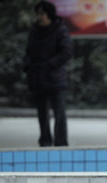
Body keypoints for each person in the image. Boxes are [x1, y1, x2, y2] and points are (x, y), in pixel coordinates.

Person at [24, 0, 73, 147]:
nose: (39, 17)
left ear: (49, 15)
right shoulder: (34, 31)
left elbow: (66, 52)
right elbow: (29, 52)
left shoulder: (60, 30)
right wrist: (28, 66)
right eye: (37, 14)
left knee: (59, 113)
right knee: (42, 113)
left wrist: (49, 65)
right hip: (38, 78)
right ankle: (45, 141)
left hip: (55, 78)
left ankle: (60, 142)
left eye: (42, 14)